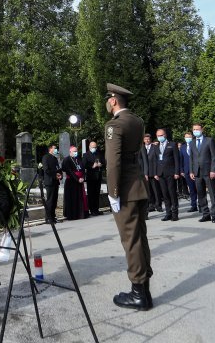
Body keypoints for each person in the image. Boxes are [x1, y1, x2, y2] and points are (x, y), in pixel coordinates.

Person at [104, 83, 152, 311]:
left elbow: (113, 163)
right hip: (139, 185)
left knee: (131, 241)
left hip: (124, 189)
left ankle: (138, 294)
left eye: (107, 99)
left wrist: (112, 193)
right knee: (140, 238)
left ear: (113, 101)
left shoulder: (115, 125)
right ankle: (145, 291)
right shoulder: (137, 121)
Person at [189, 123, 215, 223]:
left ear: (202, 130)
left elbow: (214, 157)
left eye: (197, 129)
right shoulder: (192, 143)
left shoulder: (209, 140)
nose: (195, 131)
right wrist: (191, 171)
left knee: (212, 194)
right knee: (201, 194)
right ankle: (205, 214)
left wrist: (213, 170)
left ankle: (214, 214)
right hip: (197, 172)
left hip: (208, 171)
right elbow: (191, 158)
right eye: (194, 129)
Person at [151, 128, 180, 222]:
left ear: (165, 135)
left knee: (172, 193)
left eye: (161, 135)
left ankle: (175, 213)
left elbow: (177, 159)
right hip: (160, 173)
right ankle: (168, 213)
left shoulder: (172, 144)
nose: (160, 137)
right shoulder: (156, 146)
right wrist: (155, 173)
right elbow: (155, 161)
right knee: (165, 194)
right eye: (158, 136)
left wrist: (176, 172)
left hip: (171, 173)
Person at [62, 146, 88, 220]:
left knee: (80, 199)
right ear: (70, 152)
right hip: (71, 182)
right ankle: (73, 215)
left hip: (80, 182)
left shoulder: (79, 159)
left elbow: (83, 169)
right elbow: (69, 171)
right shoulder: (67, 160)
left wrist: (83, 177)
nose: (76, 152)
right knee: (72, 199)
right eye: (74, 151)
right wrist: (77, 179)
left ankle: (80, 214)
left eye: (76, 151)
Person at [41, 144, 63, 224]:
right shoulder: (45, 157)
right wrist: (55, 175)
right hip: (49, 181)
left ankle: (53, 217)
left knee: (54, 200)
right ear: (50, 149)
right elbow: (46, 170)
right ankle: (48, 218)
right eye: (55, 148)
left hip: (55, 181)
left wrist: (60, 175)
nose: (56, 149)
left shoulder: (55, 158)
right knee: (50, 200)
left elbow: (58, 168)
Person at [83, 141, 104, 216]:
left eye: (95, 147)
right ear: (89, 147)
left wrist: (100, 164)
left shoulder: (98, 154)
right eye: (93, 147)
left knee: (97, 193)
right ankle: (92, 210)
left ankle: (96, 209)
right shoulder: (86, 155)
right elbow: (84, 164)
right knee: (91, 194)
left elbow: (103, 162)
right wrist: (92, 165)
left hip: (98, 176)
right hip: (91, 176)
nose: (94, 148)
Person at [144, 134, 164, 212]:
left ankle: (158, 205)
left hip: (154, 172)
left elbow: (158, 160)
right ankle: (151, 205)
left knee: (156, 190)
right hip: (146, 174)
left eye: (148, 139)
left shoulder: (155, 147)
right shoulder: (142, 148)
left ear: (150, 140)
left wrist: (157, 173)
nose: (147, 141)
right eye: (145, 139)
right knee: (149, 191)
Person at [179, 133, 198, 212]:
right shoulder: (182, 147)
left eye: (189, 137)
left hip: (197, 170)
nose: (188, 138)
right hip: (187, 171)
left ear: (192, 137)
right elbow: (181, 159)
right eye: (186, 137)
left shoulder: (195, 144)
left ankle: (202, 204)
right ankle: (193, 205)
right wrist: (182, 170)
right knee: (192, 189)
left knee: (199, 189)